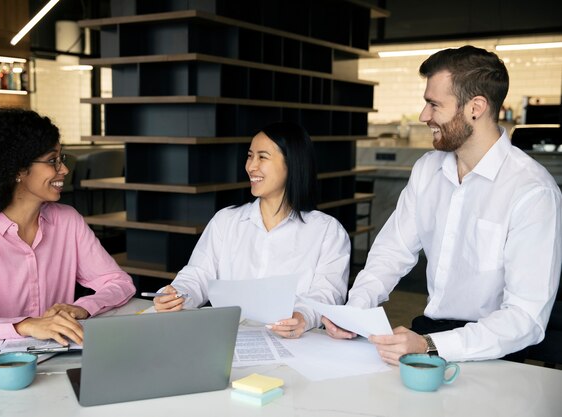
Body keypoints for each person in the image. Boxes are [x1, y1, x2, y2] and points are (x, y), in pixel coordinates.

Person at [323, 45, 562, 364]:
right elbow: (392, 252)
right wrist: (353, 312)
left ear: (476, 107)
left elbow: (524, 320)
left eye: (434, 104)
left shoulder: (532, 190)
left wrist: (430, 345)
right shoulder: (427, 169)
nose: (424, 116)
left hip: (498, 351)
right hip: (430, 333)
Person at [0, 108, 136, 348]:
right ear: (16, 170)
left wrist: (82, 308)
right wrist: (26, 325)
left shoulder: (67, 220)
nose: (64, 169)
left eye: (61, 158)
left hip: (55, 355)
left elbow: (119, 283)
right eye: (53, 160)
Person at [154, 122, 350, 338]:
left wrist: (302, 316)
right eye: (250, 156)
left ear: (292, 163)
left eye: (262, 157)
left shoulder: (327, 231)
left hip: (295, 345)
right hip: (227, 339)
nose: (251, 166)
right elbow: (199, 273)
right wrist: (179, 293)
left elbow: (328, 292)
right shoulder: (226, 220)